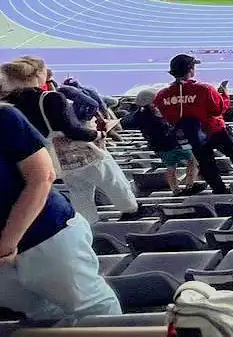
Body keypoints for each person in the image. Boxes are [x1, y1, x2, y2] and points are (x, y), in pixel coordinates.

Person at [0, 104, 122, 324]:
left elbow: (42, 177)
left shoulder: (4, 117)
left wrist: (7, 244)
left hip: (47, 234)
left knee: (92, 309)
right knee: (43, 316)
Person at [2, 57, 139, 224]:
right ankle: (131, 211)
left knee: (79, 192)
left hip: (59, 160)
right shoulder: (51, 98)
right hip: (84, 154)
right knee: (112, 180)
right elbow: (72, 130)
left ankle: (91, 224)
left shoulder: (11, 105)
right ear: (38, 74)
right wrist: (97, 135)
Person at [154, 54, 233, 194]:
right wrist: (224, 95)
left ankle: (219, 190)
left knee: (206, 164)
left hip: (192, 136)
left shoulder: (163, 95)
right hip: (215, 129)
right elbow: (219, 109)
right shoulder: (204, 89)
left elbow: (164, 115)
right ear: (191, 69)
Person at [124, 89, 205, 196]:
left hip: (160, 148)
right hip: (175, 144)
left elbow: (127, 122)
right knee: (193, 162)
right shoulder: (157, 116)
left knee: (171, 167)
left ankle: (176, 190)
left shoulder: (138, 116)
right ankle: (189, 185)